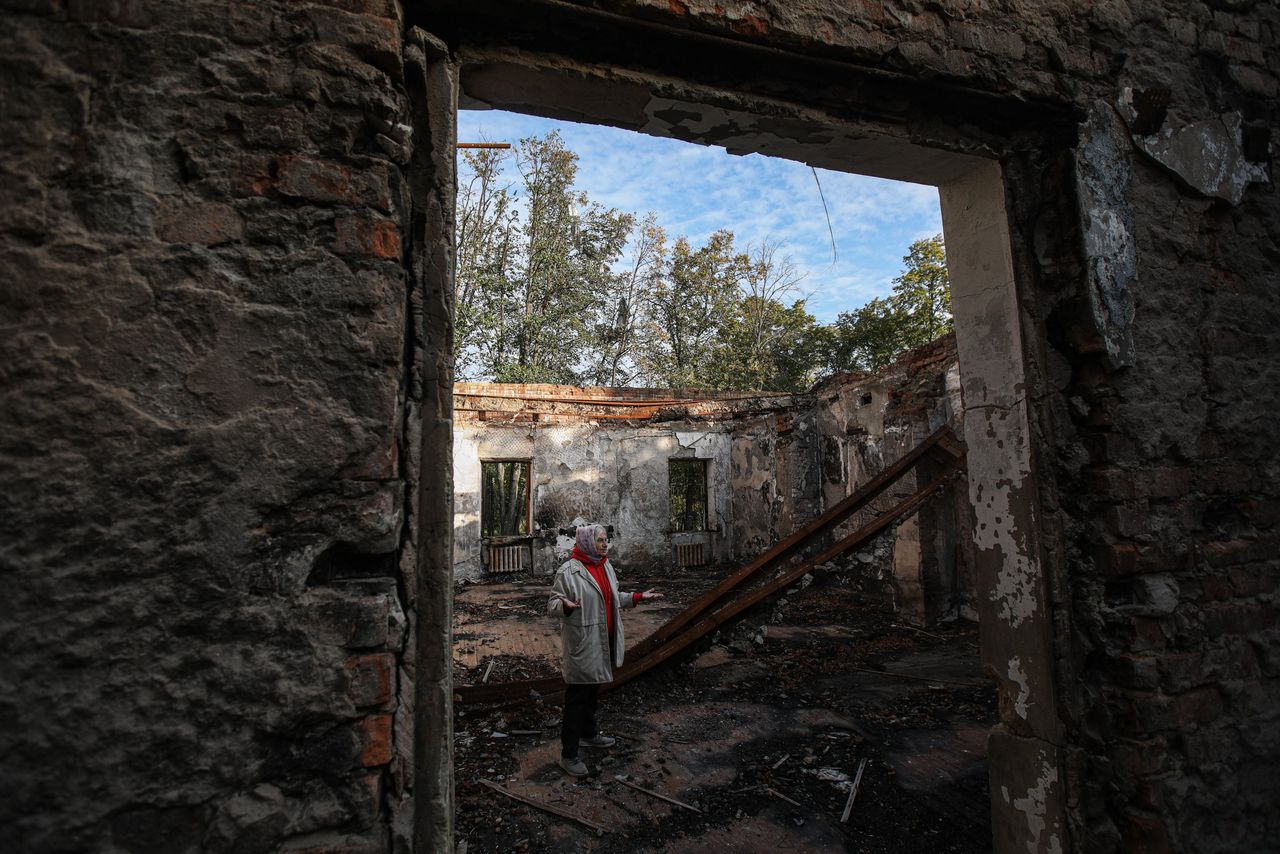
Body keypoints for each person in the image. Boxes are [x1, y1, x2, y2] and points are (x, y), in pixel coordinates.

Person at [547, 524, 663, 777]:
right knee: (577, 697)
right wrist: (564, 605)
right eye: (600, 540)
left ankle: (588, 735)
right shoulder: (569, 571)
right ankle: (569, 755)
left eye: (606, 540)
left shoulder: (605, 566)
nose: (604, 544)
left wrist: (639, 597)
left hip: (604, 639)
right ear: (587, 541)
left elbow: (612, 597)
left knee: (592, 690)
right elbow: (552, 603)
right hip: (583, 642)